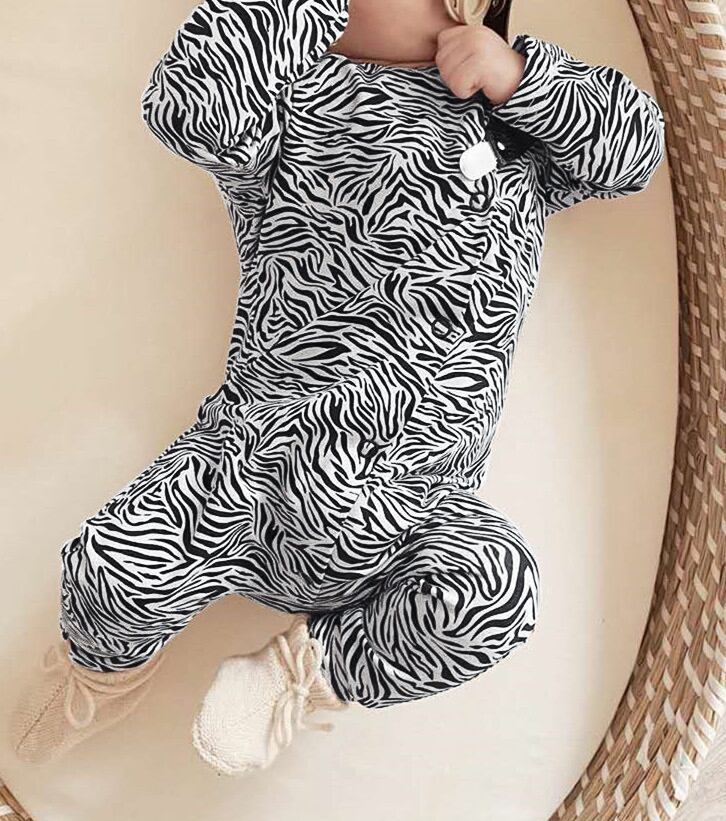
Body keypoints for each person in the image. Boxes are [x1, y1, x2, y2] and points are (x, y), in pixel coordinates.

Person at [10, 0, 665, 776]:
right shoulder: (291, 95)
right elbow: (188, 106)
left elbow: (635, 147)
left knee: (496, 589)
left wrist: (521, 79)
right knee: (106, 572)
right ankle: (99, 674)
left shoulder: (509, 127)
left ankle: (304, 672)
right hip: (251, 463)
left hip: (413, 498)